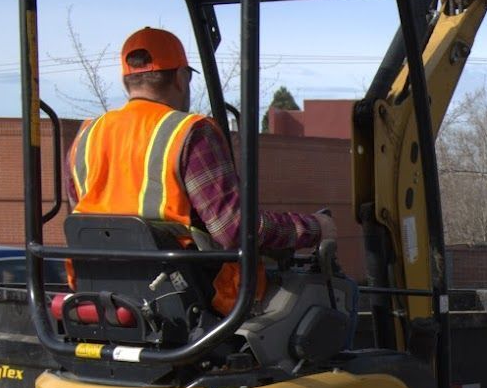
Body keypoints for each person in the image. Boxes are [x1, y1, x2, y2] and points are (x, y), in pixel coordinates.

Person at [67, 27, 336, 315]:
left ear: (126, 81)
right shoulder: (189, 133)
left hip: (104, 300)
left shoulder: (87, 135)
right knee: (319, 300)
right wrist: (314, 228)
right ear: (182, 78)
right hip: (191, 303)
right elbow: (231, 229)